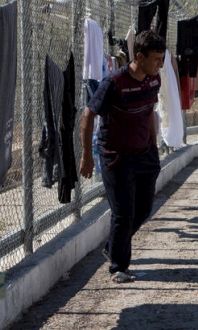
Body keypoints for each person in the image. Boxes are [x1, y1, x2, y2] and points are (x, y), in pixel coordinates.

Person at [79, 30, 167, 284]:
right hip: (116, 157)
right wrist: (87, 156)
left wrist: (153, 145)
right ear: (139, 56)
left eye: (162, 59)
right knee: (124, 212)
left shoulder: (154, 80)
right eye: (156, 59)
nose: (160, 64)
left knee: (143, 209)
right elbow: (87, 115)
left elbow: (149, 110)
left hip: (145, 155)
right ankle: (119, 266)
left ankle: (112, 247)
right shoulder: (114, 83)